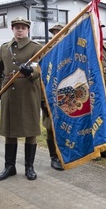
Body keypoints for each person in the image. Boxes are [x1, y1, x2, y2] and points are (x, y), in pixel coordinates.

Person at [0, 17, 43, 181]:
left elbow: (42, 69)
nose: (20, 30)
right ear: (12, 29)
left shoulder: (36, 48)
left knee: (30, 130)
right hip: (9, 94)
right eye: (17, 27)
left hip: (28, 93)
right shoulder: (4, 47)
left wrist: (30, 72)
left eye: (23, 27)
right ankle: (9, 167)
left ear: (28, 30)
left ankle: (29, 167)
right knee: (10, 130)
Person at [40, 24, 65, 170]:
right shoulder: (45, 52)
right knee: (51, 128)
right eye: (54, 33)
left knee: (66, 126)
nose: (57, 36)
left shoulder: (69, 50)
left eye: (60, 33)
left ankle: (64, 154)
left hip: (66, 96)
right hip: (49, 96)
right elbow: (40, 78)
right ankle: (53, 157)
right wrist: (43, 100)